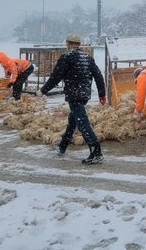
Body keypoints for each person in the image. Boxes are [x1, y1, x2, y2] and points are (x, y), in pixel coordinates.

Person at [38, 34, 107, 165]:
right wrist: (101, 94)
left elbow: (56, 77)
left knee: (82, 123)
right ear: (79, 44)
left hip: (74, 95)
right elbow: (98, 76)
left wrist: (42, 90)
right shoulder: (88, 58)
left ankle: (96, 151)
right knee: (73, 121)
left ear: (68, 44)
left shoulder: (66, 57)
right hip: (85, 94)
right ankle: (62, 146)